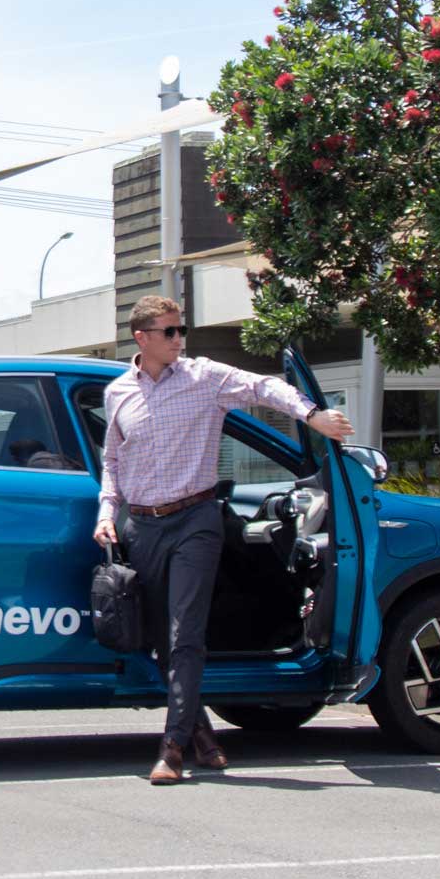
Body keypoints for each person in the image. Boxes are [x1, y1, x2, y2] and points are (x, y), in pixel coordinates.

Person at [93, 295, 355, 784]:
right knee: (159, 642)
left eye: (181, 330)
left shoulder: (204, 377)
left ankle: (171, 749)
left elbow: (263, 387)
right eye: (169, 332)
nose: (179, 339)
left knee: (185, 633)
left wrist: (312, 415)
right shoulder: (118, 393)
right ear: (142, 337)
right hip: (143, 525)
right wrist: (107, 512)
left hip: (196, 519)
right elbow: (113, 461)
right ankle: (202, 735)